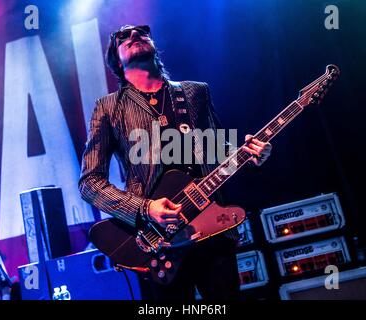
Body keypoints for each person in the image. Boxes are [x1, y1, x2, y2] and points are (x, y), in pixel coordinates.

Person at [78, 24, 272, 300]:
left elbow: (218, 151)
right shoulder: (108, 108)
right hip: (158, 242)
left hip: (211, 229)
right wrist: (146, 208)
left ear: (155, 47)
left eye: (141, 32)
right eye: (123, 36)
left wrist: (251, 155)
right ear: (116, 62)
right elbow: (89, 183)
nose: (134, 34)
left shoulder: (195, 92)